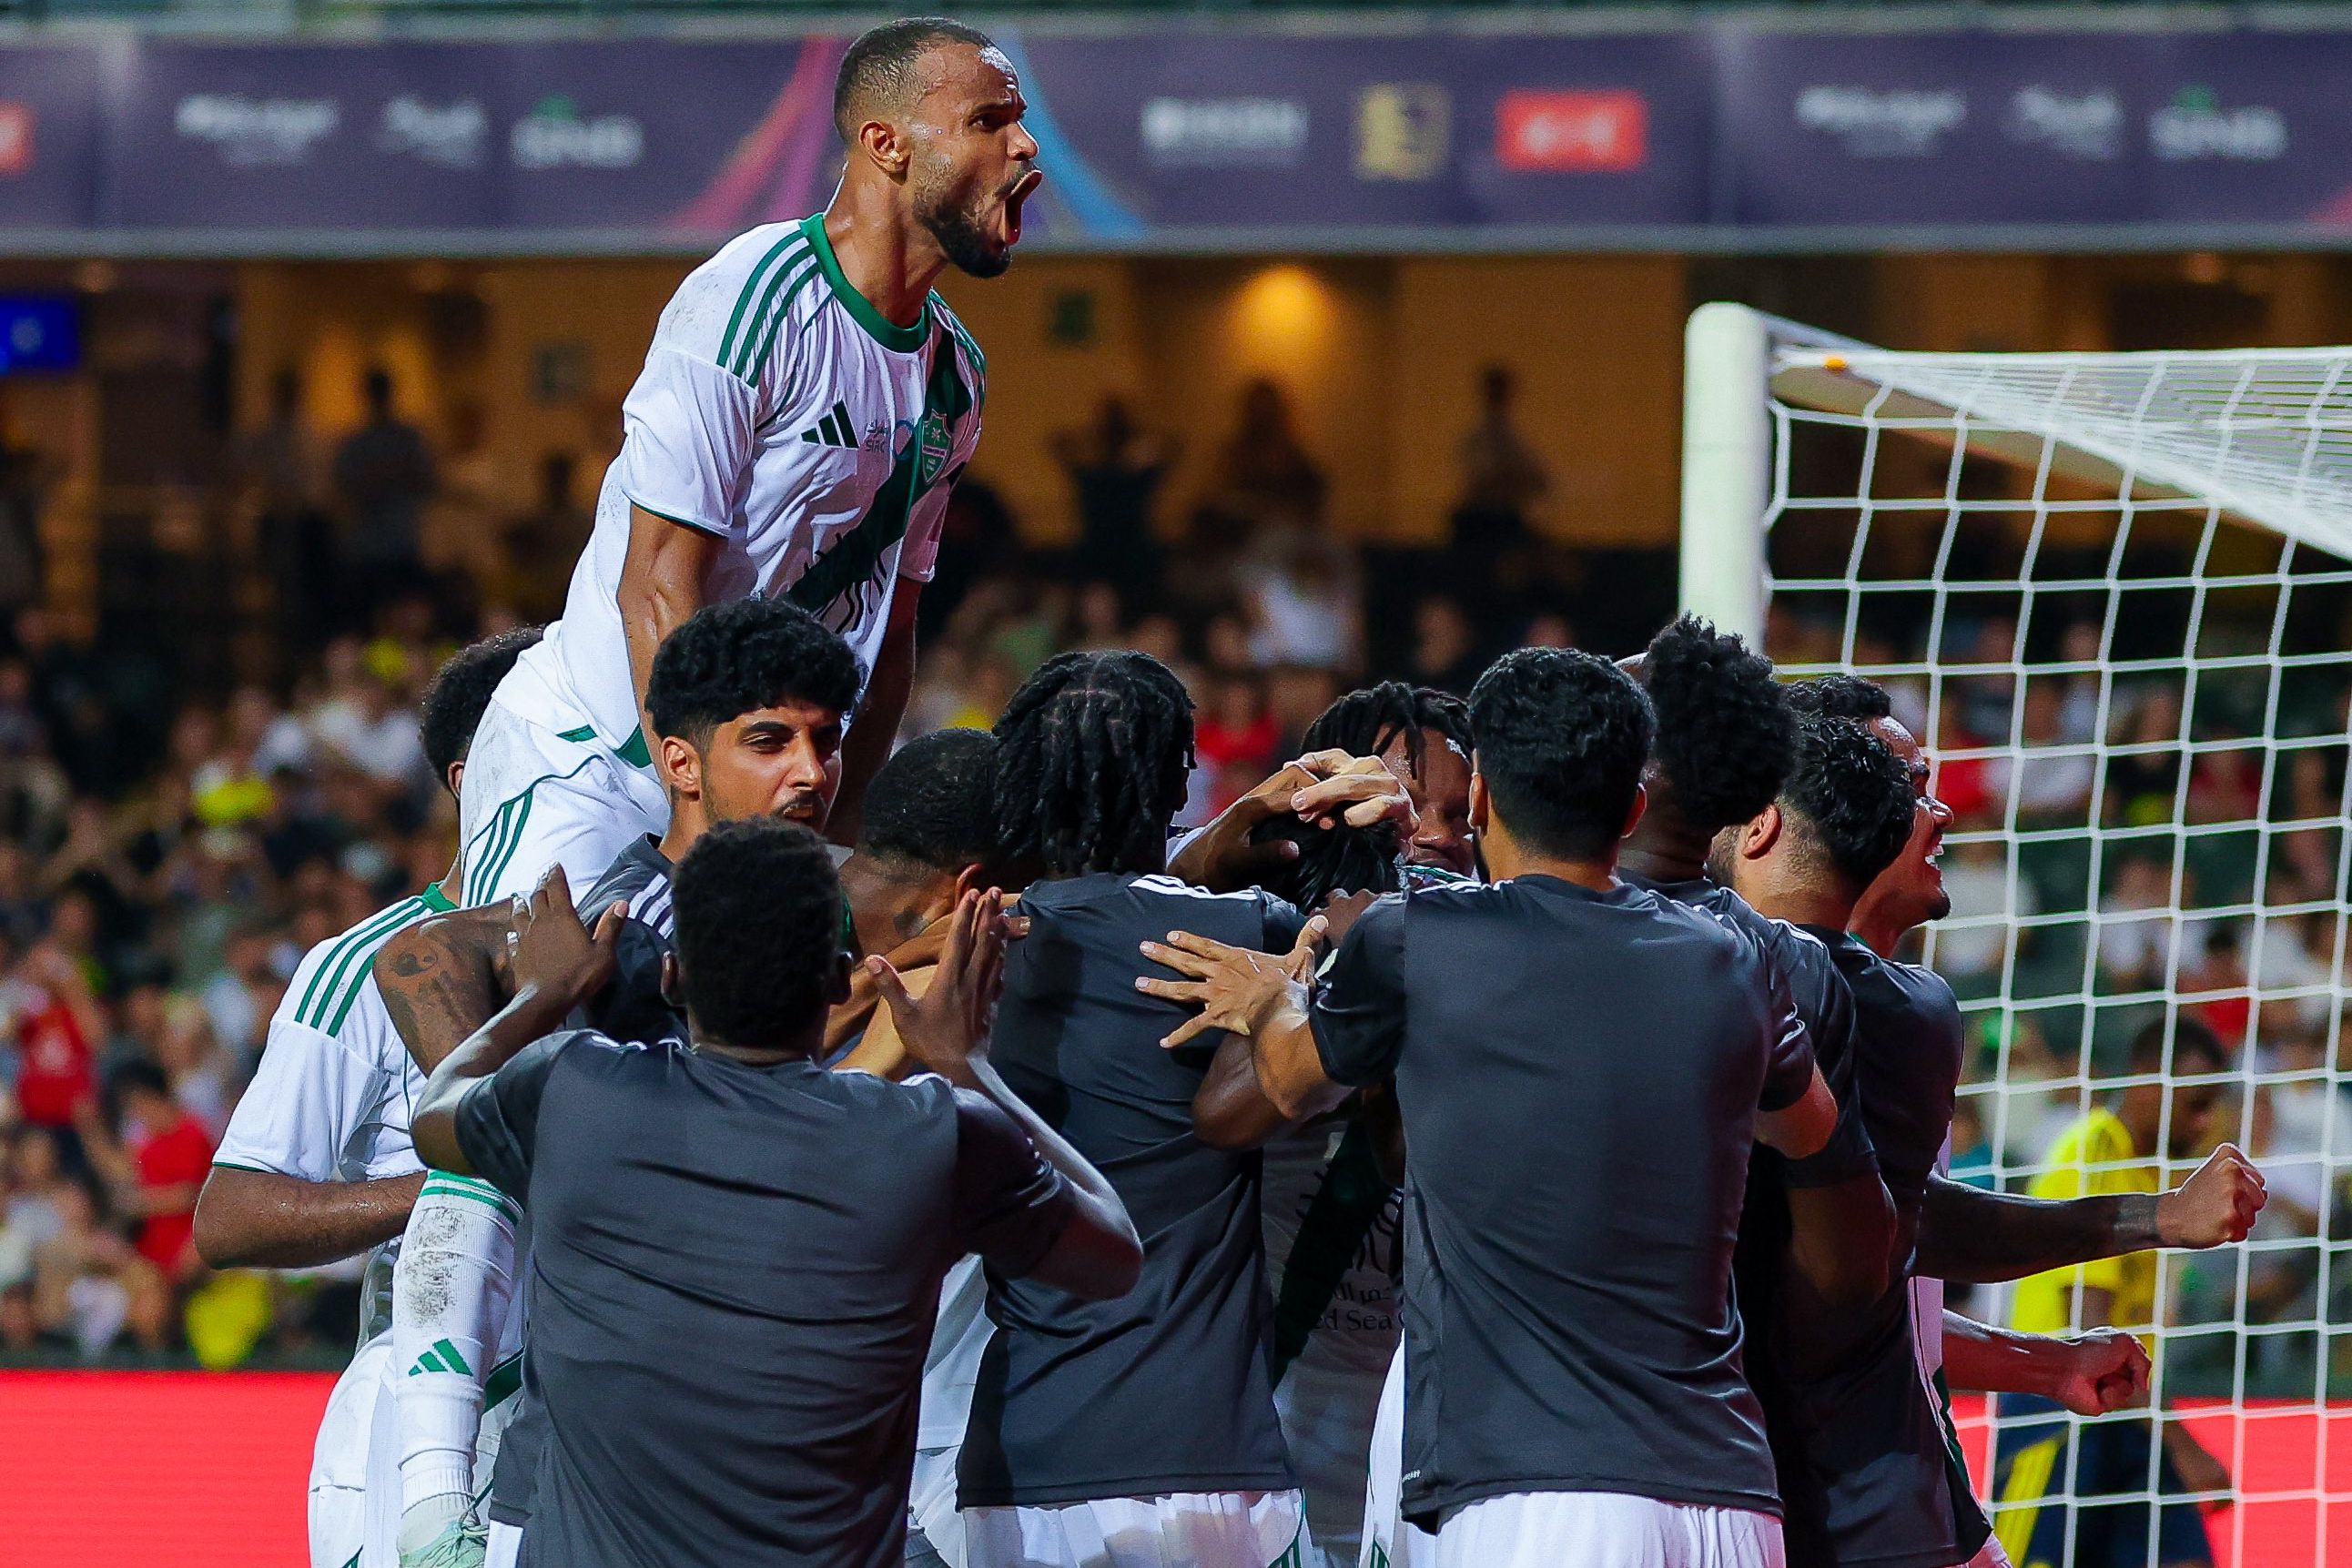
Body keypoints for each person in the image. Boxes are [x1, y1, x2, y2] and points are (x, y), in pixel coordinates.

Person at [1146, 648, 1848, 1568]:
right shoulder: (1736, 959)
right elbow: (1811, 1132)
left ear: (1481, 800)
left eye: (1450, 806)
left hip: (1535, 1490)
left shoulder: (1413, 942)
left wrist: (1272, 993)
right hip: (1728, 1493)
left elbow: (1276, 1080)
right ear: (1630, 811)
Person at [409, 822, 1140, 1568]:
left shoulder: (572, 1089)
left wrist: (544, 991)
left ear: (672, 975)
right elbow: (1116, 1254)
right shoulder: (933, 1136)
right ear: (839, 975)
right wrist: (971, 1065)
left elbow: (436, 1116)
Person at [453, 17, 1039, 907]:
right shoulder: (751, 297)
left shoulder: (955, 375)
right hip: (596, 763)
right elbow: (655, 584)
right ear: (886, 145)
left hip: (755, 788)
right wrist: (709, 825)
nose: (1023, 143)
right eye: (988, 119)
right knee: (532, 1026)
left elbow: (887, 631)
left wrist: (828, 838)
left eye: (1019, 118)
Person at [373, 598, 860, 1568]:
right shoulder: (602, 921)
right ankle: (430, 1500)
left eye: (826, 740)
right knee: (483, 1140)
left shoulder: (868, 901)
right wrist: (545, 1009)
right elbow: (415, 957)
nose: (809, 773)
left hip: (816, 1450)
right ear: (679, 762)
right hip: (607, 1454)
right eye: (770, 740)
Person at [188, 627, 539, 1568]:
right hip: (424, 1423)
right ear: (480, 778)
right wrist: (456, 1191)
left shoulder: (651, 947)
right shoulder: (358, 966)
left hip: (600, 1412)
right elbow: (230, 1217)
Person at [958, 651, 1313, 1568]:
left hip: (1019, 1455)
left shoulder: (976, 949)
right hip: (1198, 1447)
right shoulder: (1245, 936)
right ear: (1176, 779)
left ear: (1026, 786)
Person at [1991, 1019, 2236, 1568]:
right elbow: (2092, 1334)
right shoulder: (2095, 1151)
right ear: (2151, 1081)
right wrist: (2183, 1446)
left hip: (2126, 1410)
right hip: (2057, 1408)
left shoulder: (2154, 1172)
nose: (2205, 1121)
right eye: (2196, 1103)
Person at [331, 367, 438, 612]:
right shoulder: (357, 442)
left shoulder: (408, 439)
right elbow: (344, 489)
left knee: (404, 618)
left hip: (401, 542)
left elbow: (427, 482)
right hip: (367, 547)